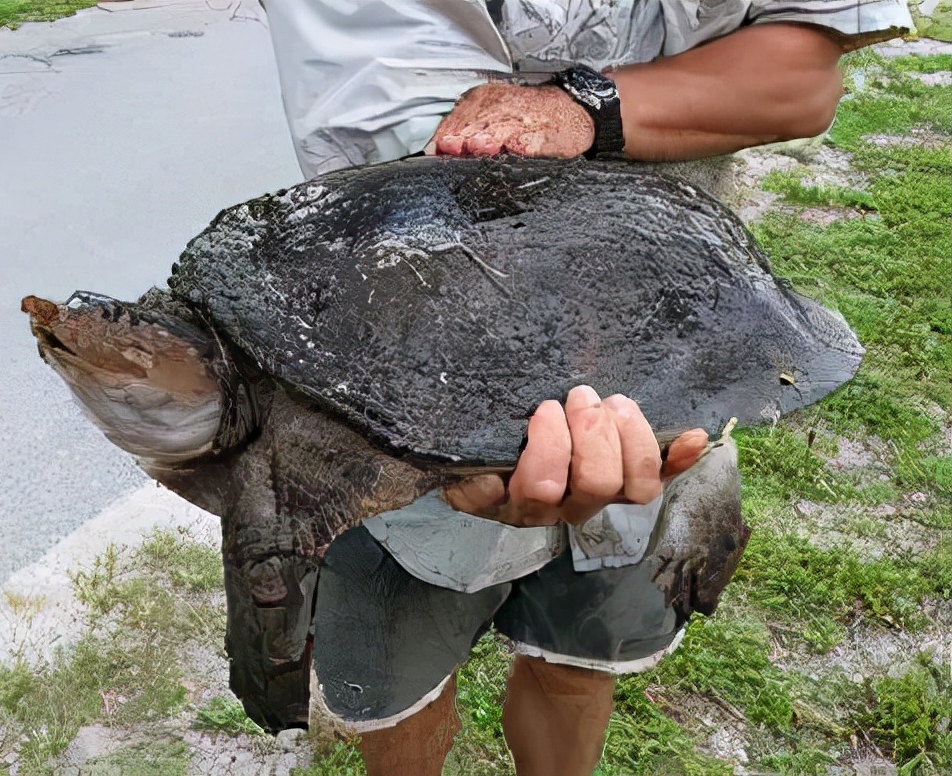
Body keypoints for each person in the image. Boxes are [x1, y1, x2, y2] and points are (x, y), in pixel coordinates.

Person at [258, 3, 914, 775]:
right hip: (406, 395)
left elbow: (802, 81)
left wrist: (579, 108)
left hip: (665, 379)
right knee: (403, 692)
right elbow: (401, 148)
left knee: (578, 665)